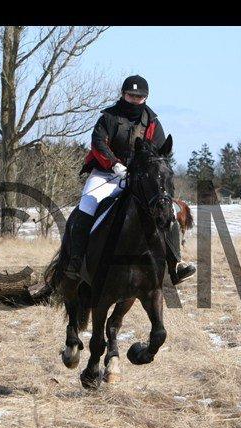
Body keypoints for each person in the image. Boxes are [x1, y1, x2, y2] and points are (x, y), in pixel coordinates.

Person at [65, 75, 196, 285]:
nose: (135, 100)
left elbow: (160, 152)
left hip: (138, 177)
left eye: (139, 97)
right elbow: (98, 143)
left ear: (146, 98)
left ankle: (175, 265)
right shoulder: (108, 117)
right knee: (86, 205)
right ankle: (76, 260)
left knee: (168, 210)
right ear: (123, 95)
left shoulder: (152, 122)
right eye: (131, 95)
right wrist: (114, 164)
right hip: (105, 173)